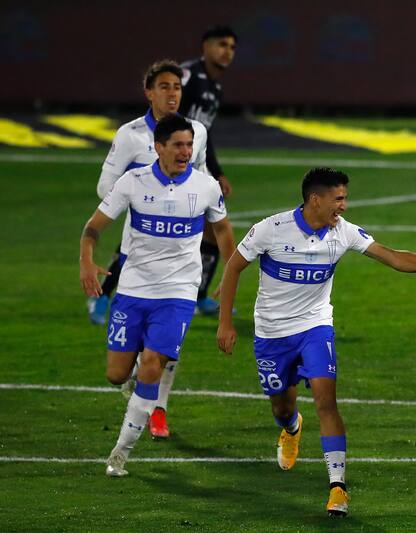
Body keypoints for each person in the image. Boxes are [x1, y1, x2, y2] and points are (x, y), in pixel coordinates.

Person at [215, 167, 416, 517]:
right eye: (339, 199)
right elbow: (233, 268)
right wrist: (226, 322)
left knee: (326, 400)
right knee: (281, 408)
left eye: (344, 198)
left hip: (316, 326)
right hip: (272, 332)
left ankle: (337, 487)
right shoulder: (270, 230)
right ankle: (291, 427)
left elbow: (392, 256)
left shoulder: (342, 233)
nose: (344, 206)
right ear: (315, 200)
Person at [79, 115, 235, 477]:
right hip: (133, 289)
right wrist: (87, 262)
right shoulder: (132, 183)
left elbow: (224, 233)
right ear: (159, 147)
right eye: (178, 145)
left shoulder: (206, 186)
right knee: (117, 375)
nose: (186, 151)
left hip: (178, 293)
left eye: (189, 144)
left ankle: (121, 451)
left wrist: (229, 275)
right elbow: (93, 228)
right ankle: (134, 379)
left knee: (153, 366)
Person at [89, 59, 210, 440]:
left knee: (166, 345)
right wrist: (146, 190)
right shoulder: (129, 135)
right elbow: (105, 186)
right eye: (165, 87)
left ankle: (158, 408)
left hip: (180, 253)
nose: (172, 93)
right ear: (149, 92)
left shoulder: (196, 133)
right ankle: (139, 375)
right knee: (126, 364)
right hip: (137, 252)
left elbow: (200, 175)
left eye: (177, 87)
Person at [179, 25, 237, 315]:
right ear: (205, 47)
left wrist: (217, 172)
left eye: (232, 47)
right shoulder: (188, 77)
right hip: (170, 169)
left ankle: (198, 297)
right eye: (222, 45)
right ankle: (105, 292)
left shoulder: (215, 89)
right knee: (145, 231)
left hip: (196, 170)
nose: (227, 51)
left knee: (213, 232)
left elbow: (205, 134)